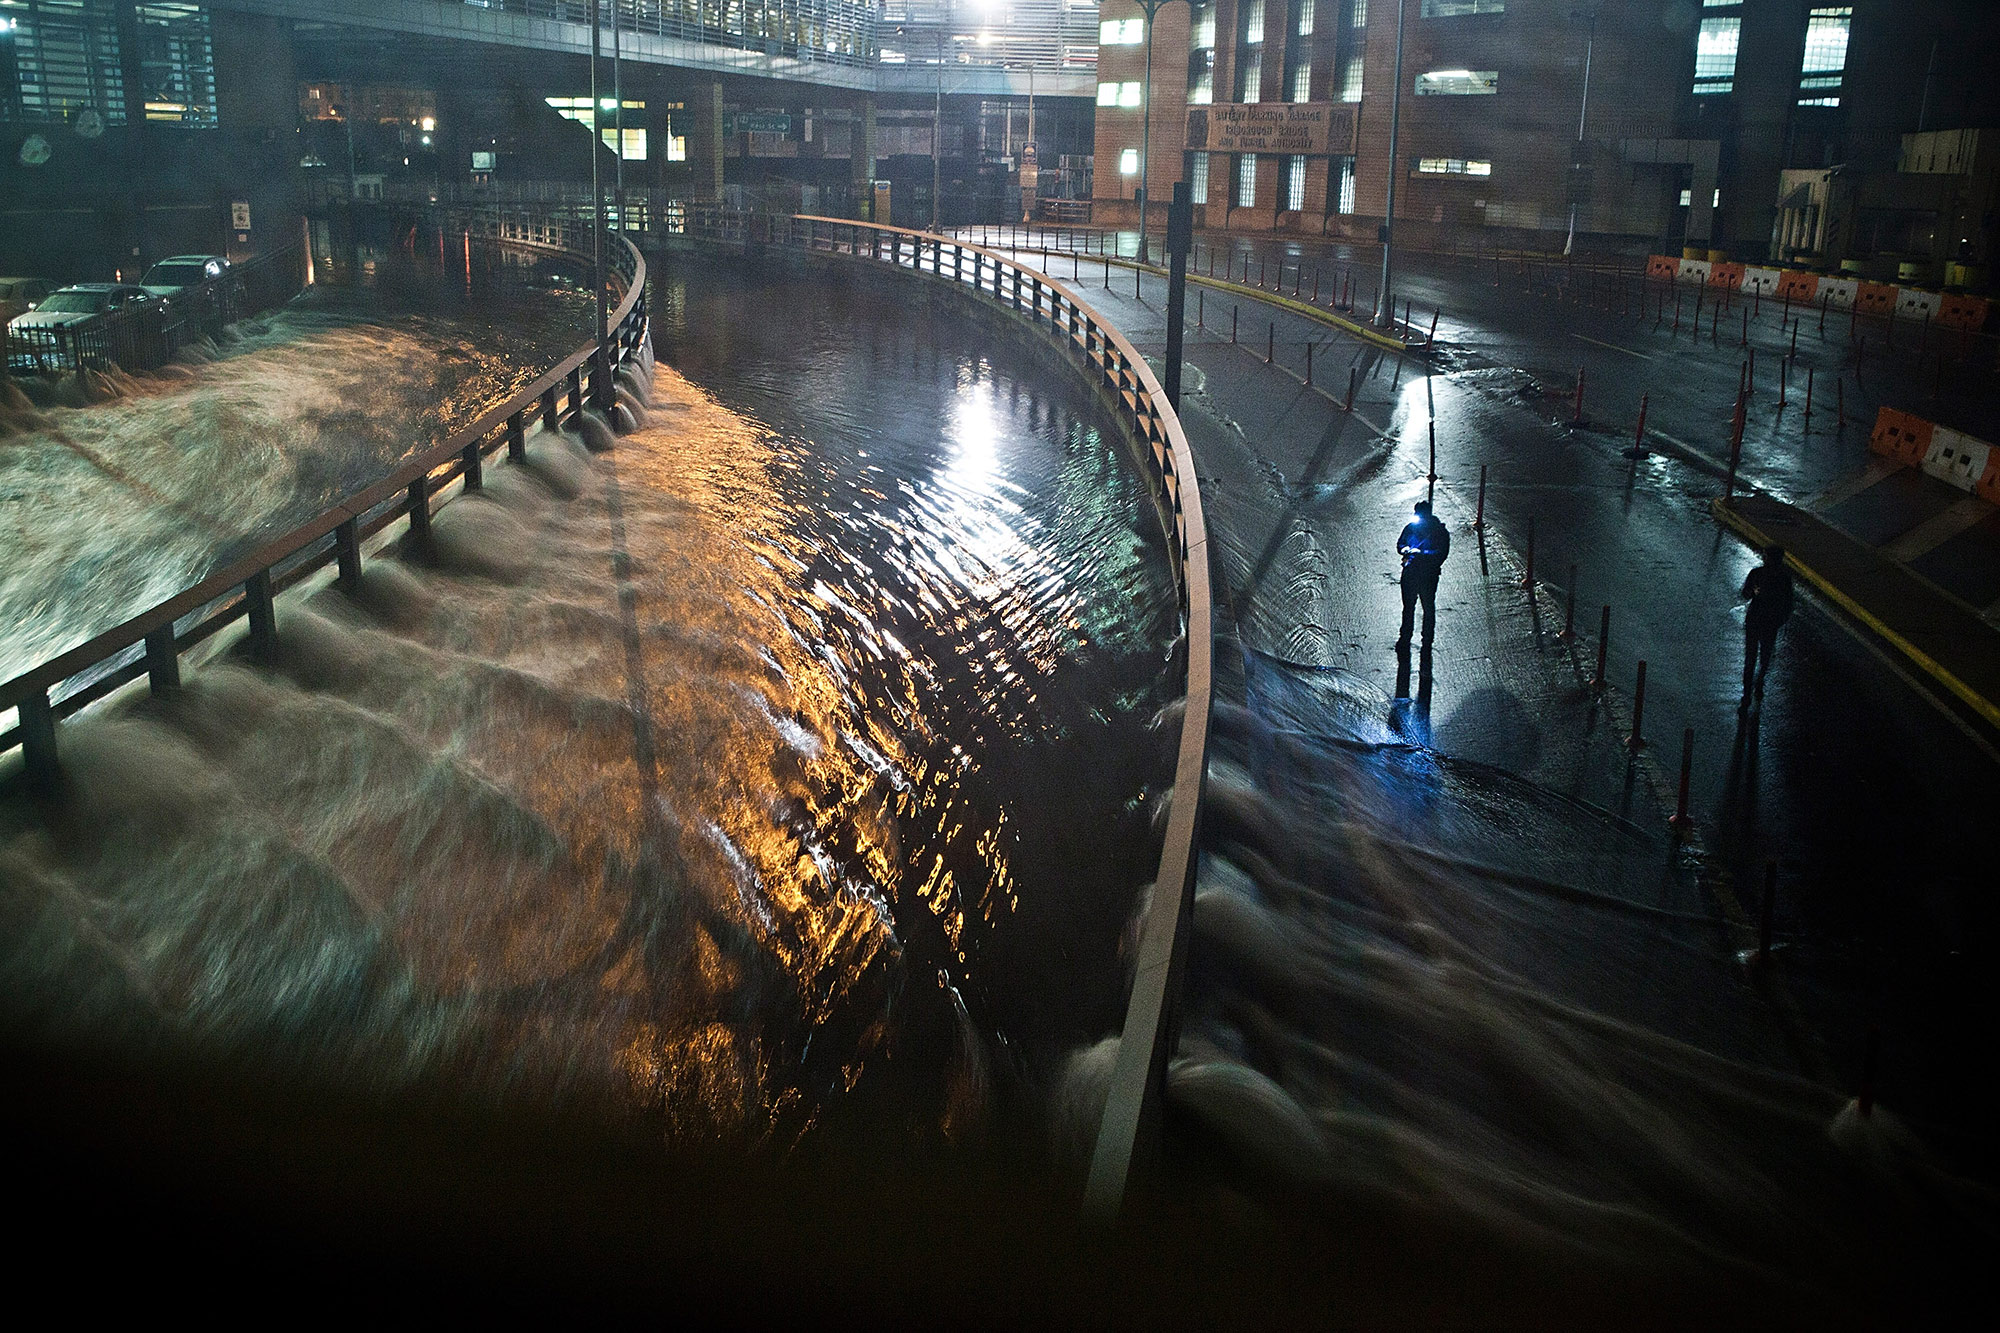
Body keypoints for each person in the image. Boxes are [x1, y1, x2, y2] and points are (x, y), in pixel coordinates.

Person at [1739, 544, 1794, 705]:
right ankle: (1754, 687)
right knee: (1763, 656)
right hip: (1768, 622)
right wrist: (1781, 620)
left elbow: (1744, 594)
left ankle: (1748, 692)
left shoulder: (1758, 574)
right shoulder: (1784, 578)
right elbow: (1789, 603)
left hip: (1757, 620)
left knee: (1753, 658)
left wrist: (1752, 592)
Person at [1395, 499, 1451, 651]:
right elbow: (1400, 543)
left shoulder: (1439, 531)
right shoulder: (1411, 527)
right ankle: (1405, 635)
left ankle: (1427, 637)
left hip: (1428, 574)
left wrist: (1423, 554)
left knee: (1427, 607)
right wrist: (1405, 548)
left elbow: (1441, 554)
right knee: (1408, 606)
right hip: (1410, 572)